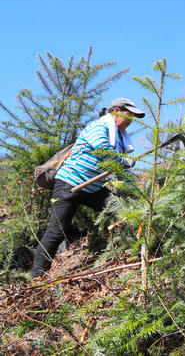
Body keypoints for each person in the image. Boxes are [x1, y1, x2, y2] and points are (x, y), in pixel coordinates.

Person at [31, 98, 144, 278]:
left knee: (124, 212)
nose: (131, 119)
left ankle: (135, 253)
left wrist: (136, 194)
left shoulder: (120, 140)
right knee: (57, 231)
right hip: (70, 185)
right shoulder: (98, 127)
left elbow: (121, 171)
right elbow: (103, 149)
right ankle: (37, 276)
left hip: (94, 189)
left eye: (134, 117)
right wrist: (123, 161)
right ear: (115, 110)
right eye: (128, 114)